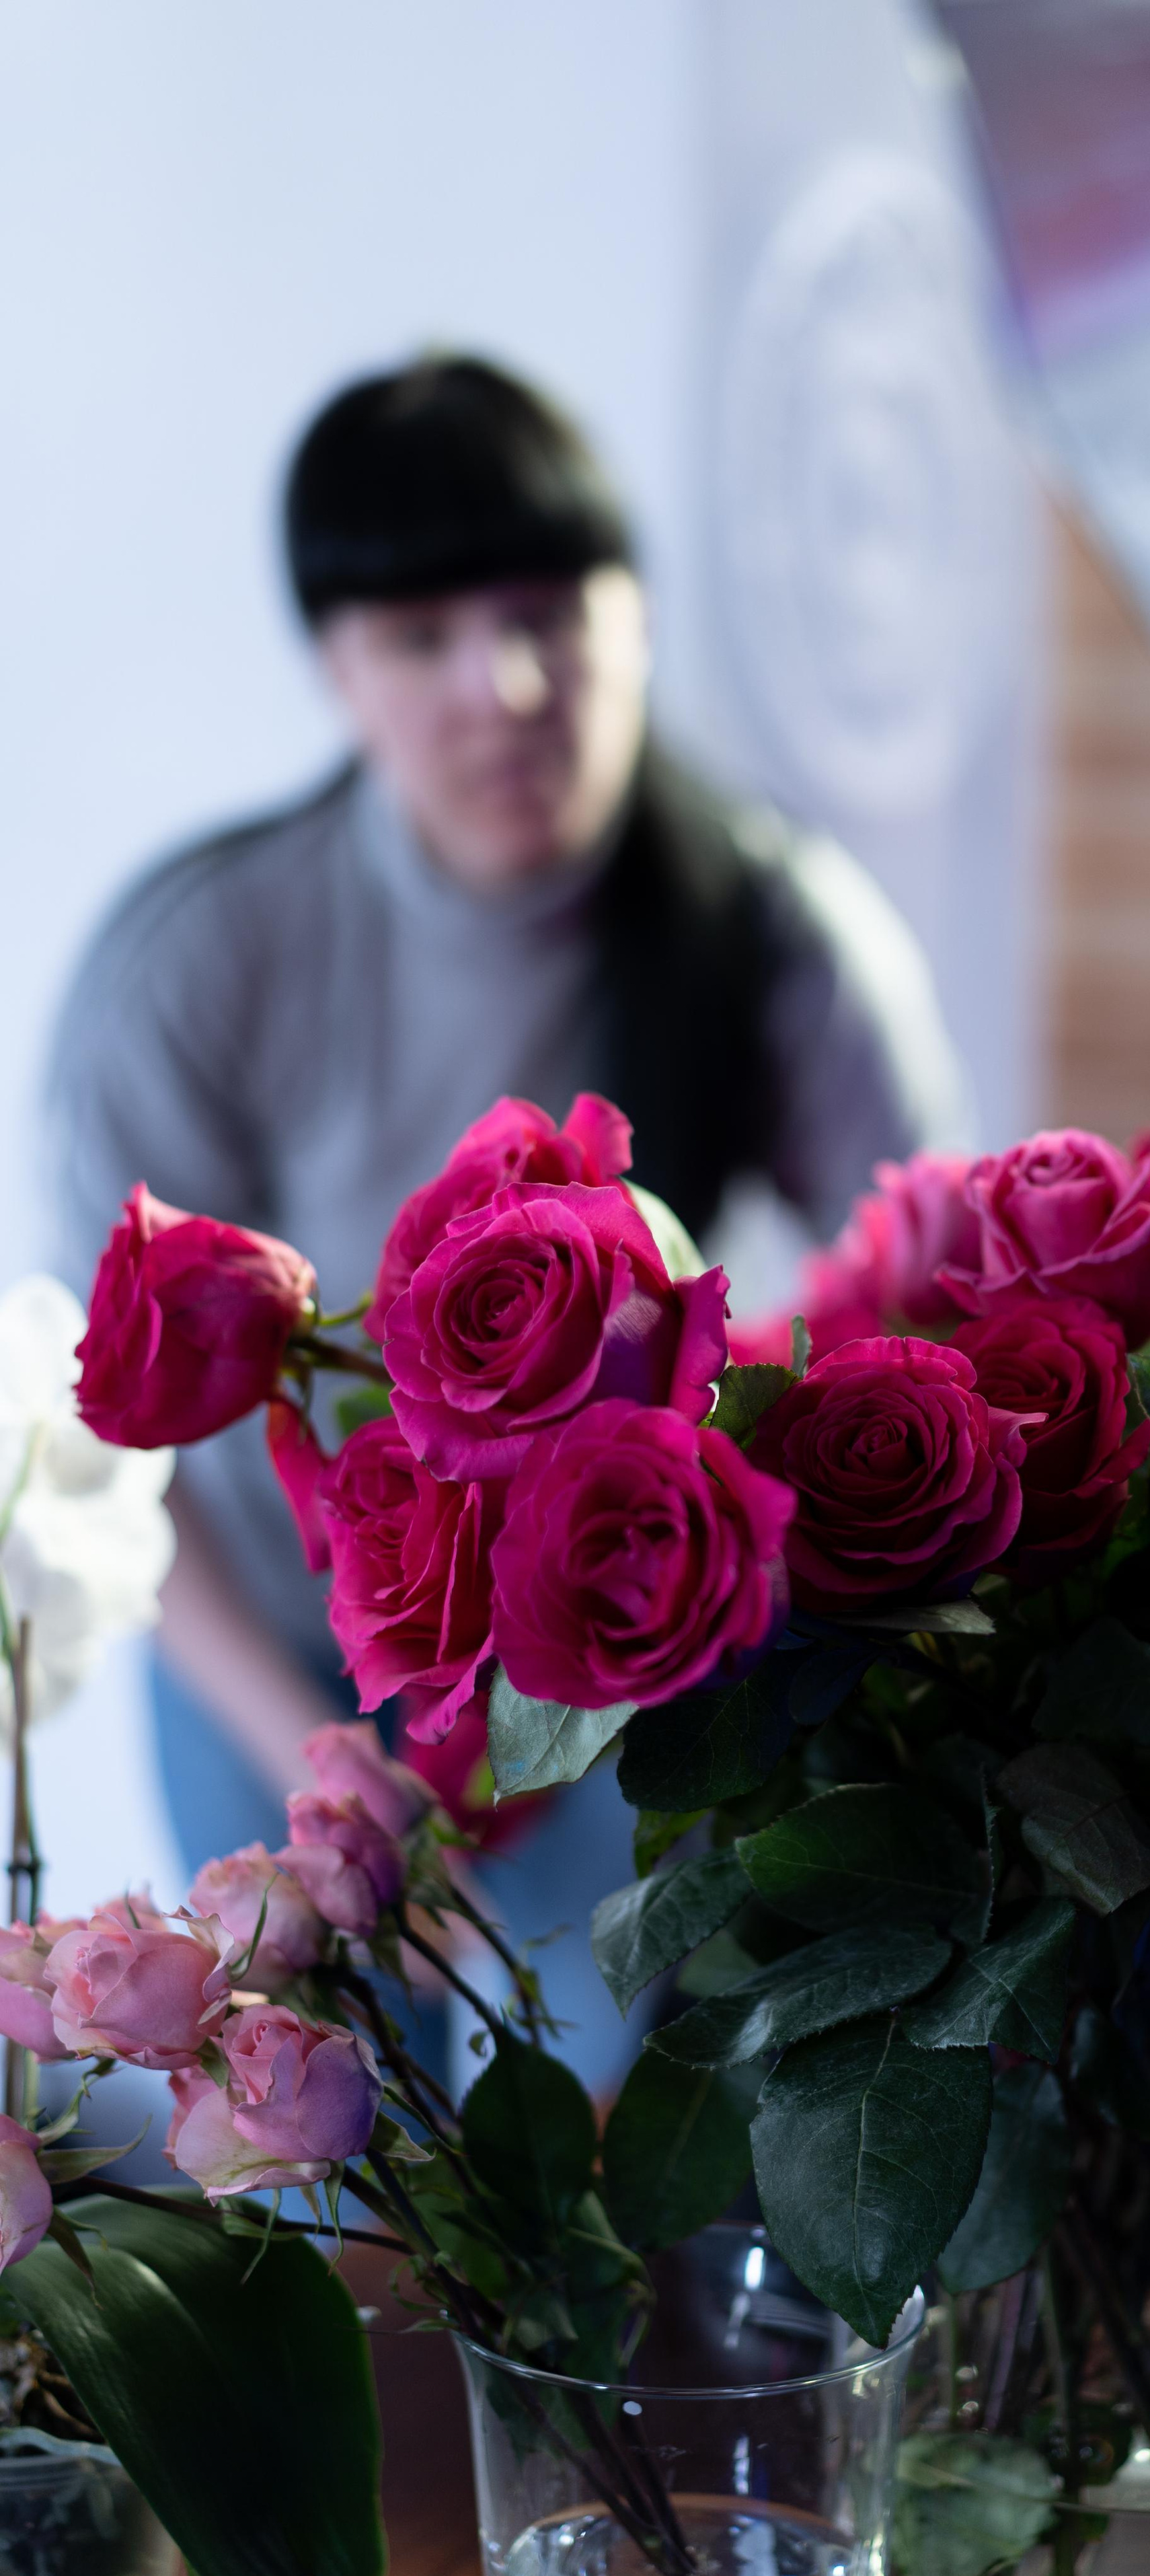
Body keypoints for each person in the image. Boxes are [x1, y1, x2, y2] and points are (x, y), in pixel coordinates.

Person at [46, 353, 968, 2092]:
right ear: (336, 665)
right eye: (421, 638)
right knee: (325, 2170)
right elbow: (127, 1455)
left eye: (555, 610)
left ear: (636, 614)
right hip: (282, 1668)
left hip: (633, 1665)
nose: (509, 685)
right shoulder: (199, 965)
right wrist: (336, 1760)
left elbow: (928, 1300)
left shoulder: (776, 933)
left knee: (605, 2151)